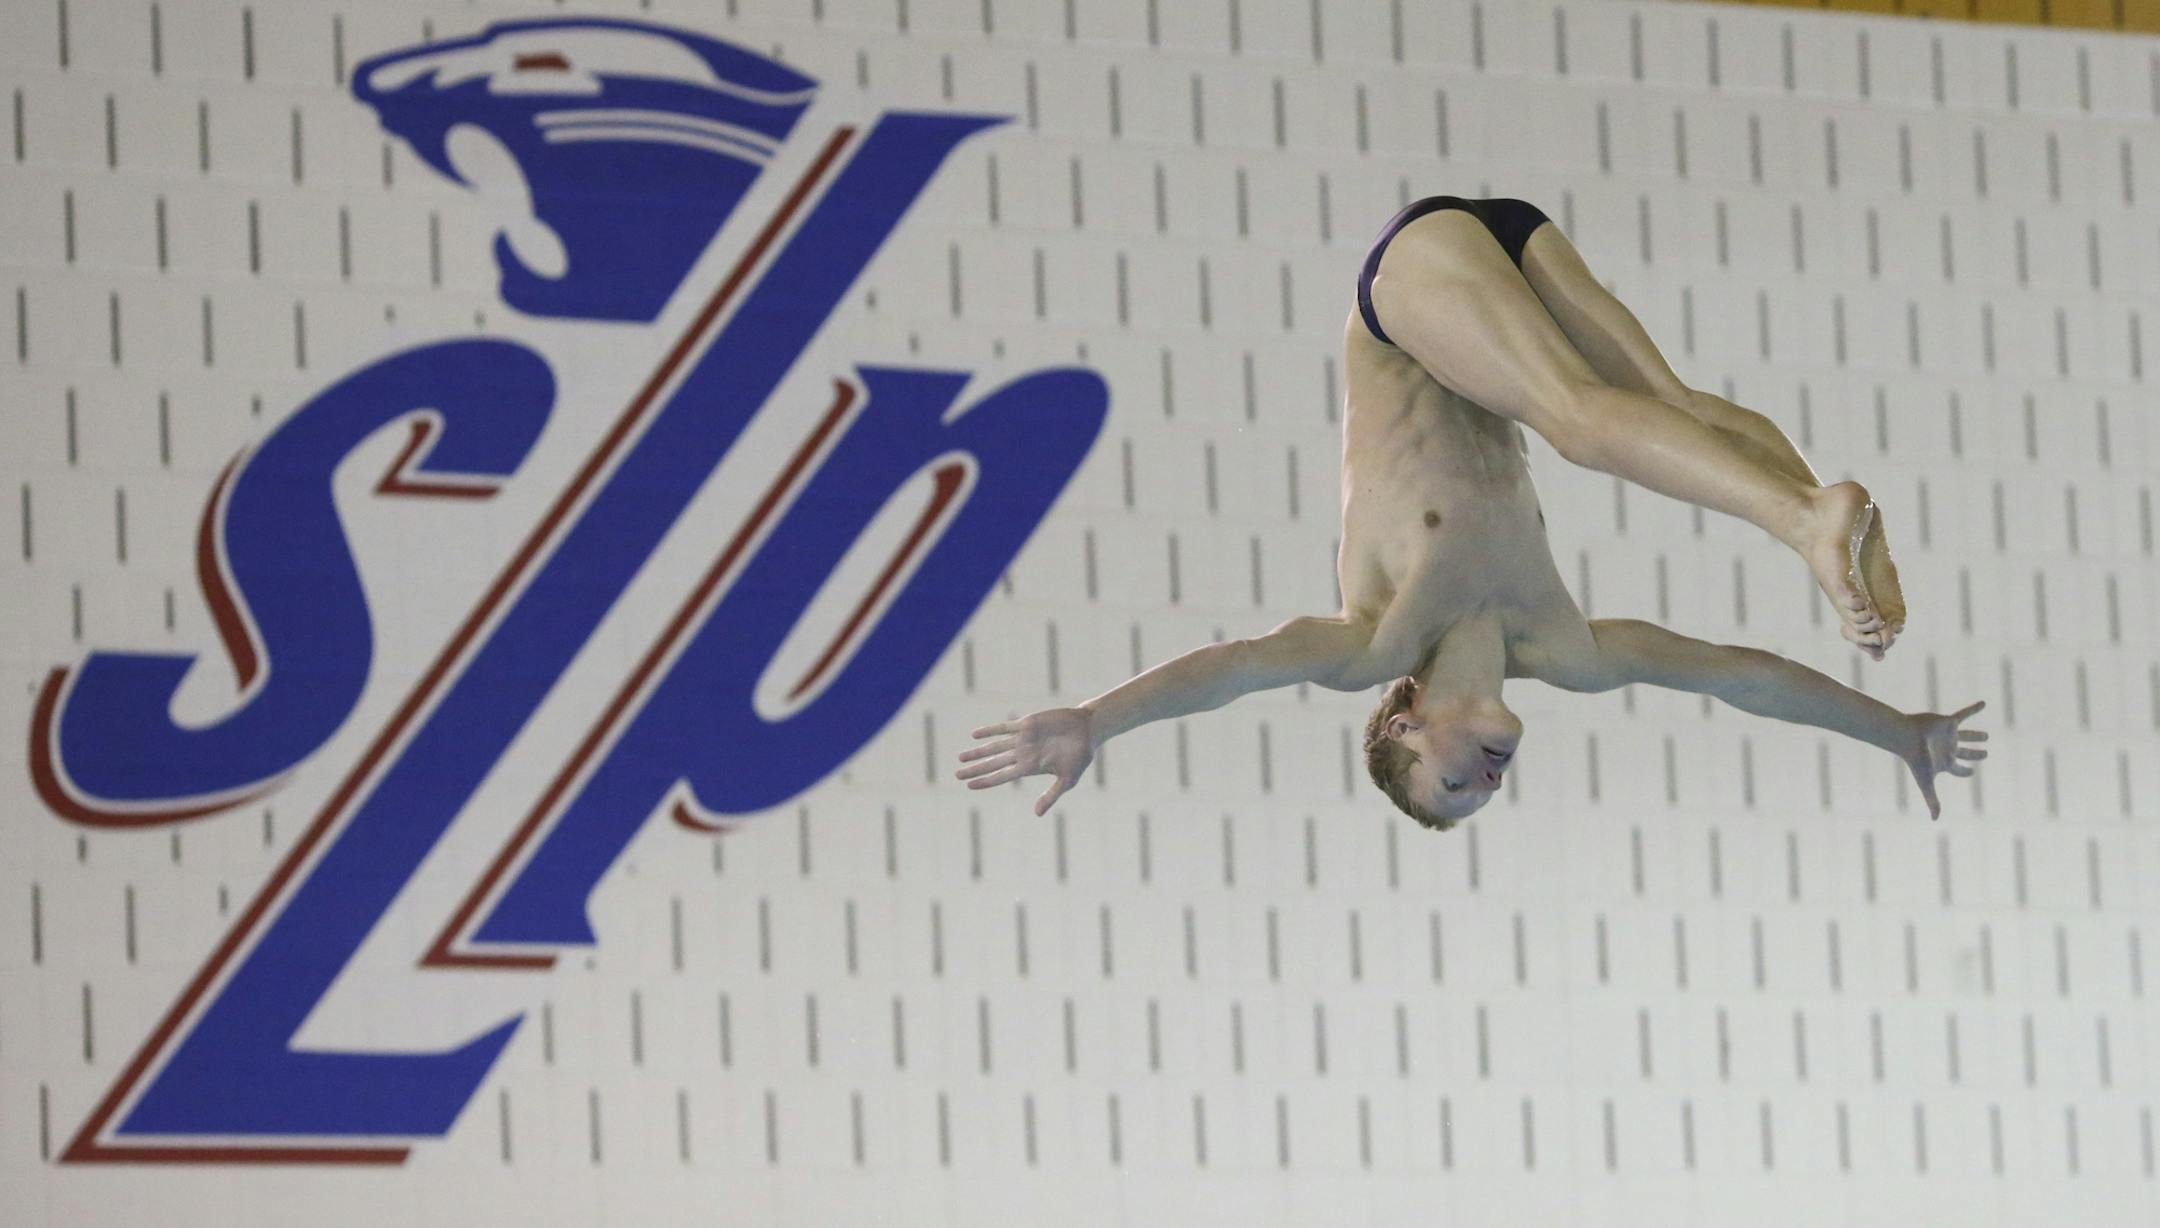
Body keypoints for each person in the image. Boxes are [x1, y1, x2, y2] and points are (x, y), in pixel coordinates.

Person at [957, 196, 1987, 830]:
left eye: (1451, 786)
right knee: (1671, 409)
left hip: (1409, 294)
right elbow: (1739, 677)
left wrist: (1097, 719)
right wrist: (1897, 732)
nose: (1486, 786)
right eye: (1481, 799)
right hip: (1507, 250)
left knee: (1576, 420)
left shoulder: (1374, 638)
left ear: (1404, 724)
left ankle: (1807, 519)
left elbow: (1233, 668)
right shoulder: (1564, 648)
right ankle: (1829, 515)